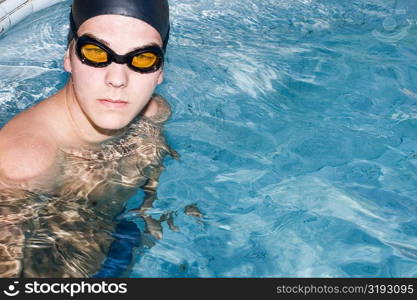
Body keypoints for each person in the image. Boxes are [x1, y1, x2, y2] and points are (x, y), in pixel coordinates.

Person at [0, 0, 178, 277]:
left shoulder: (153, 114)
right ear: (68, 57)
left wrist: (147, 208)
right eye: (96, 53)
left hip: (115, 237)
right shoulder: (24, 163)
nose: (118, 79)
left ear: (160, 72)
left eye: (143, 59)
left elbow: (154, 164)